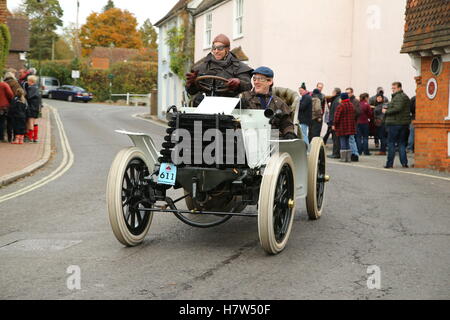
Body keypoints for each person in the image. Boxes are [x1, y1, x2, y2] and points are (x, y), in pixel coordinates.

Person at [185, 34, 253, 106]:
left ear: (227, 49)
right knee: (197, 99)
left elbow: (248, 86)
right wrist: (192, 84)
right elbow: (191, 92)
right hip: (204, 105)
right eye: (214, 48)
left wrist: (239, 83)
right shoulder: (202, 67)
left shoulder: (239, 67)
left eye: (220, 48)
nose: (216, 51)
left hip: (229, 106)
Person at [240, 66, 296, 138]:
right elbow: (230, 114)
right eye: (254, 79)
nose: (256, 82)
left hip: (272, 139)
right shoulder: (243, 97)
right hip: (248, 137)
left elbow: (286, 123)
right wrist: (236, 105)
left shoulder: (278, 102)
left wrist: (289, 133)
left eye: (260, 79)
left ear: (269, 81)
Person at [382, 82, 411, 169]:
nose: (392, 89)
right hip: (403, 124)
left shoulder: (399, 97)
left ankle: (389, 164)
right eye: (392, 88)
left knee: (391, 143)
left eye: (394, 88)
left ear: (399, 88)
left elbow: (397, 108)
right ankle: (404, 163)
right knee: (401, 144)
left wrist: (386, 111)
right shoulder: (404, 96)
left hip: (395, 123)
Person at [333, 92, 356, 162]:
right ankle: (348, 158)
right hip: (350, 127)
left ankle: (343, 158)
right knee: (348, 142)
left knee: (342, 141)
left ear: (342, 98)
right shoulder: (351, 105)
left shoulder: (341, 106)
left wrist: (334, 125)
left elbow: (337, 117)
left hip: (342, 127)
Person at [25, 75, 41, 143]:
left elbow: (28, 97)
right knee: (34, 122)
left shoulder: (31, 88)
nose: (27, 82)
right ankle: (35, 138)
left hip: (31, 107)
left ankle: (30, 138)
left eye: (28, 80)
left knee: (30, 123)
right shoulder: (36, 88)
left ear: (31, 81)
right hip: (36, 107)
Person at [346, 87, 360, 161]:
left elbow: (358, 112)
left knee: (352, 139)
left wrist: (351, 114)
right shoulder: (347, 101)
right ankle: (351, 154)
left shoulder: (355, 101)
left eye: (348, 93)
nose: (347, 94)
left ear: (352, 93)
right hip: (348, 123)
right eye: (346, 93)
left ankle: (355, 153)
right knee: (350, 139)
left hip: (353, 123)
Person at [327, 88, 342, 158]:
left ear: (335, 92)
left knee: (336, 139)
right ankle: (335, 153)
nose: (332, 93)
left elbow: (335, 113)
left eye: (333, 91)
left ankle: (336, 153)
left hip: (335, 124)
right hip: (335, 123)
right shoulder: (336, 99)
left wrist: (333, 124)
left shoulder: (336, 100)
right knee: (335, 139)